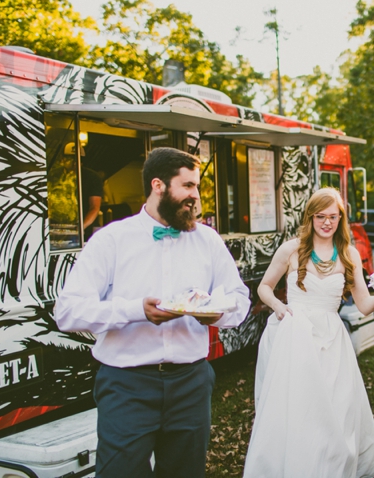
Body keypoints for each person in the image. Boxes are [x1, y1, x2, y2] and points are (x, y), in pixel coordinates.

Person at [54, 147, 251, 478]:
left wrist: (214, 313)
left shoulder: (208, 241)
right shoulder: (110, 240)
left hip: (191, 382)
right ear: (158, 185)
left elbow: (240, 300)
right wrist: (135, 310)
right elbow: (68, 311)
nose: (195, 196)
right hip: (126, 385)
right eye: (187, 186)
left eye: (196, 187)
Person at [244, 188, 374, 478]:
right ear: (310, 217)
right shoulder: (290, 249)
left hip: (332, 339)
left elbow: (363, 305)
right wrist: (277, 305)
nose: (327, 222)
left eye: (333, 217)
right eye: (321, 216)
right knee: (300, 405)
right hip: (295, 335)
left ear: (341, 218)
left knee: (337, 407)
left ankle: (330, 466)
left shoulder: (349, 253)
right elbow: (264, 287)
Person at [81, 167, 103, 240]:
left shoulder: (92, 177)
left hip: (88, 234)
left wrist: (80, 229)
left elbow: (94, 208)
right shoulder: (56, 175)